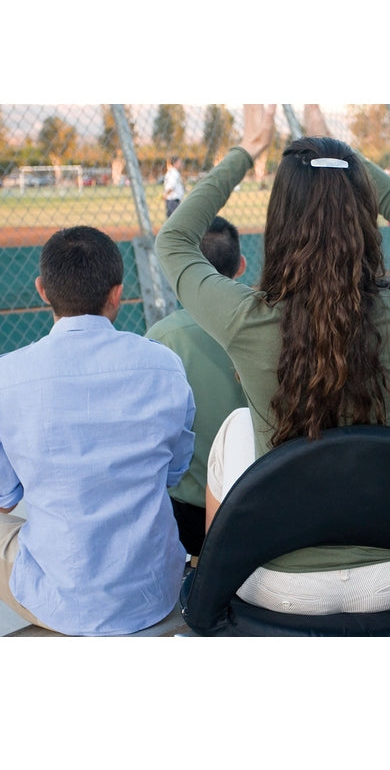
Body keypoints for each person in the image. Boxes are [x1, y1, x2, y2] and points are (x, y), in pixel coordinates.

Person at [155, 103, 390, 615]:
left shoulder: (247, 318)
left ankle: (209, 576)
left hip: (279, 582)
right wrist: (344, 159)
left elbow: (175, 240)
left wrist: (248, 150)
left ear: (280, 220)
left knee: (238, 427)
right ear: (363, 210)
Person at [0, 226, 194, 636]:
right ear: (117, 294)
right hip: (154, 592)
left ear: (42, 290)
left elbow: (1, 499)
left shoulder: (1, 377)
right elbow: (174, 472)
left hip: (62, 596)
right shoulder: (165, 366)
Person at [145, 215, 248, 557]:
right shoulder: (270, 322)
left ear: (182, 271)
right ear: (241, 265)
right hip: (265, 501)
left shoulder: (161, 339)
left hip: (190, 519)